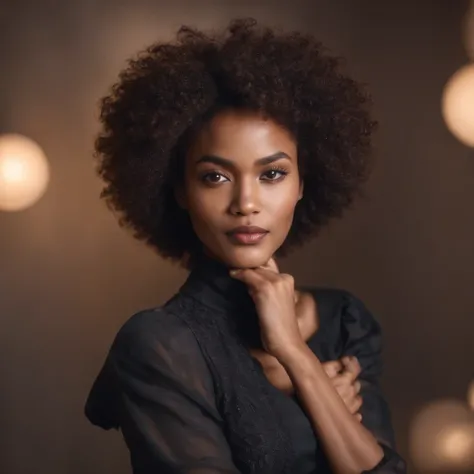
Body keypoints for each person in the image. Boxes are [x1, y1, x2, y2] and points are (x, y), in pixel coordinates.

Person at [84, 18, 407, 474]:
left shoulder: (344, 321)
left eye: (272, 174)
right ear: (178, 190)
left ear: (302, 183)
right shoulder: (159, 346)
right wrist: (311, 399)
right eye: (215, 177)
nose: (246, 203)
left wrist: (297, 356)